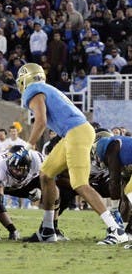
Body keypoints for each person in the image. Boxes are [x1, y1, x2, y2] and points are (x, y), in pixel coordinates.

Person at [16, 63, 128, 244]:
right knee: (46, 174)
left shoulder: (33, 89)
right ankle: (47, 229)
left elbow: (41, 121)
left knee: (80, 184)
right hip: (72, 132)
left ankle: (116, 229)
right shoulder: (45, 88)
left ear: (24, 79)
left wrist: (27, 147)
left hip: (76, 131)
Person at [0, 146, 56, 240]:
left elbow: (51, 183)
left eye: (21, 169)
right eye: (14, 169)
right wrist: (12, 230)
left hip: (24, 183)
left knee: (54, 189)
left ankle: (52, 227)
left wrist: (41, 188)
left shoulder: (37, 160)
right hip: (0, 183)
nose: (17, 173)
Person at [93, 130, 132, 233]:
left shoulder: (110, 146)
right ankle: (126, 231)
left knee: (129, 193)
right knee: (126, 195)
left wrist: (114, 208)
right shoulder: (123, 150)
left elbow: (114, 179)